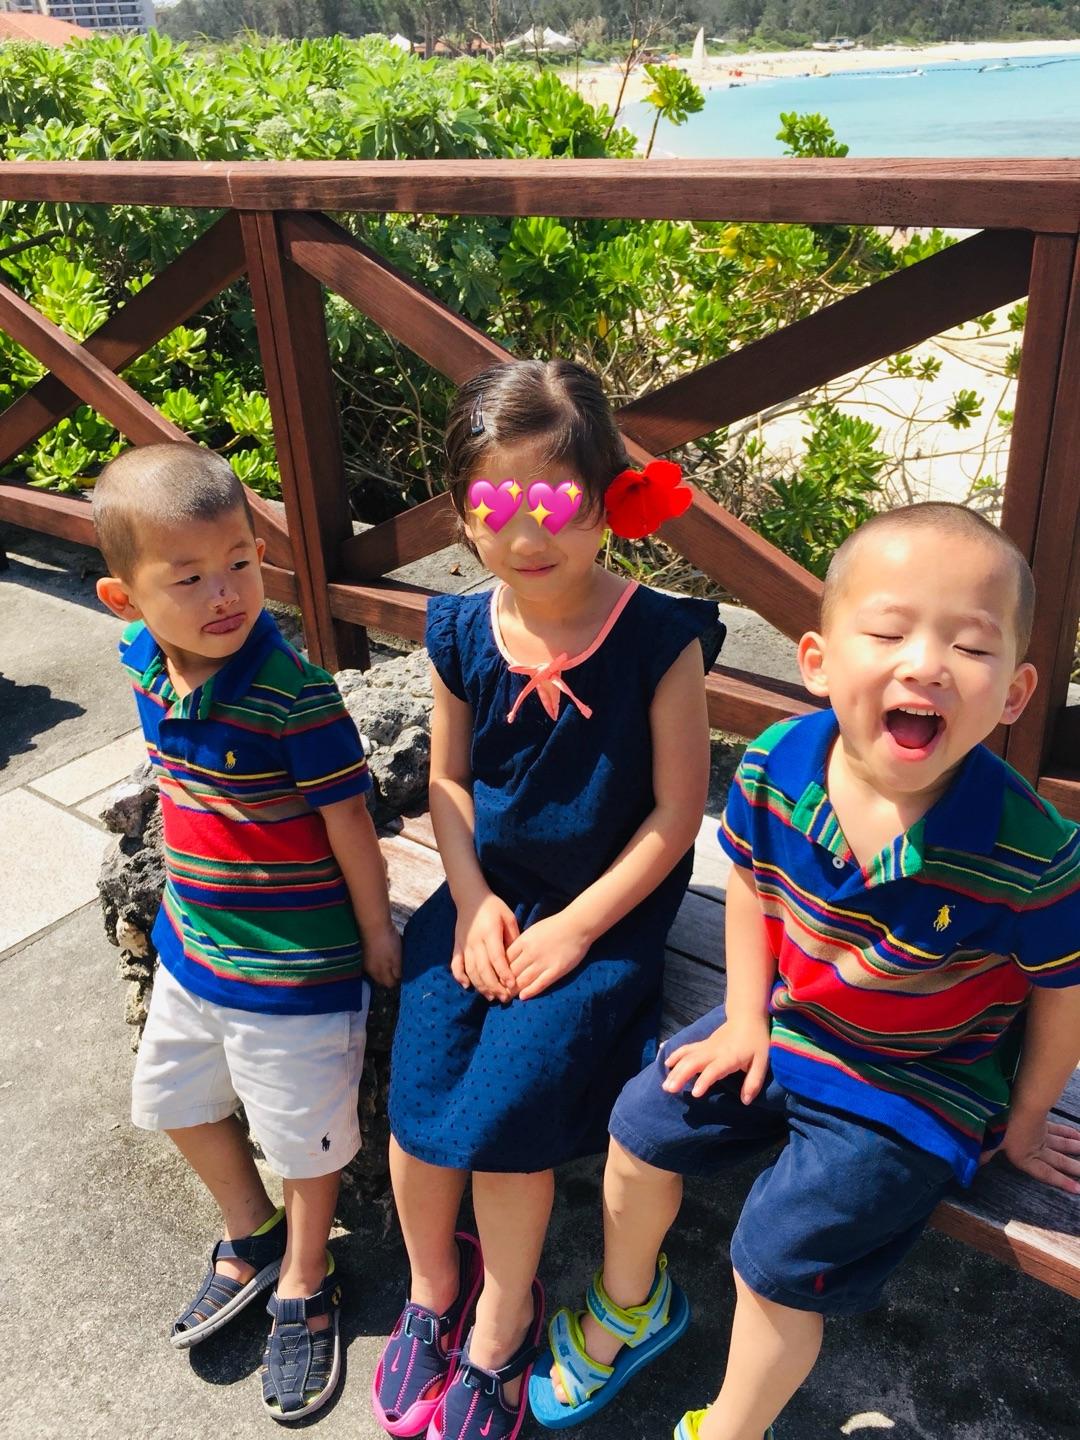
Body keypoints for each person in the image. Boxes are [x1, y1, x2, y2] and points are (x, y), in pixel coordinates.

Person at [528, 502, 1080, 1440]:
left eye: (971, 646)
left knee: (776, 1255)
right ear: (817, 661)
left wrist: (1024, 1121)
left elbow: (1062, 993)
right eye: (889, 632)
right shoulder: (778, 762)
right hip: (791, 1020)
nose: (926, 664)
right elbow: (750, 885)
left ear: (1016, 693)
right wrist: (746, 1016)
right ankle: (630, 1305)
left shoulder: (1030, 848)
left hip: (918, 1082)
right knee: (640, 1128)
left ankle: (732, 1430)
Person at [372, 359, 721, 1440]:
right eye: (495, 506)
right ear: (462, 513)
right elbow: (447, 783)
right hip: (490, 892)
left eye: (556, 503)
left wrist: (575, 927)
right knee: (419, 1088)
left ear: (608, 501)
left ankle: (504, 1319)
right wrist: (471, 896)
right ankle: (435, 1287)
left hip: (602, 910)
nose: (528, 535)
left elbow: (678, 813)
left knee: (512, 1105)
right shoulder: (460, 630)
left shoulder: (658, 639)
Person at [92, 443, 401, 1423]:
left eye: (239, 563)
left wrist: (375, 934)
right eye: (188, 579)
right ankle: (252, 1232)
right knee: (173, 1101)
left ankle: (309, 1274)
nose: (224, 594)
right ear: (126, 599)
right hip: (192, 945)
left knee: (306, 1141)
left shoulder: (294, 695)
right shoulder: (144, 659)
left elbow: (349, 823)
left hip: (294, 966)